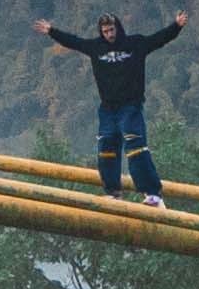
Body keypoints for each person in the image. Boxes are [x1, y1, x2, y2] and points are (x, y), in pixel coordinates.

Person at [43, 11, 184, 202]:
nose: (109, 34)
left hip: (130, 107)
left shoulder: (135, 44)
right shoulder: (96, 47)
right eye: (105, 31)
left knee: (135, 146)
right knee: (106, 147)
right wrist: (52, 31)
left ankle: (151, 193)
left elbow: (158, 39)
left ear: (117, 28)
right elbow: (73, 42)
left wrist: (176, 25)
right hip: (108, 108)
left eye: (111, 30)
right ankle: (112, 191)